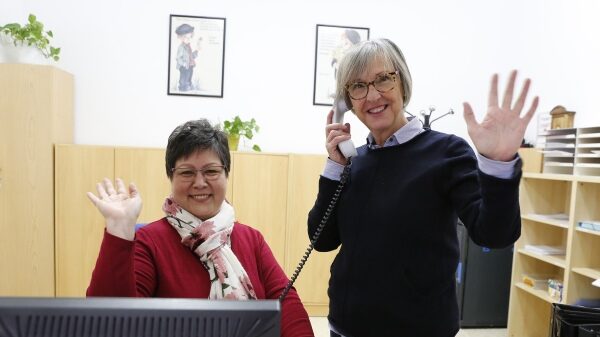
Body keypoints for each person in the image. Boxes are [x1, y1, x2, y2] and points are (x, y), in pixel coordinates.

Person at [308, 38, 538, 337]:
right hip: (346, 327)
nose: (373, 95)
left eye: (383, 79)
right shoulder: (354, 161)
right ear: (347, 102)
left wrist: (498, 164)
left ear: (402, 82)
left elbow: (495, 235)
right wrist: (334, 166)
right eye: (358, 86)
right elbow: (321, 239)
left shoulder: (447, 152)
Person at [86, 119, 314, 337]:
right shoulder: (149, 241)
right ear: (171, 177)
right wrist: (119, 230)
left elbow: (285, 302)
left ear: (226, 175)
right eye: (186, 172)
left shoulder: (250, 238)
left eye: (211, 171)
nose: (200, 182)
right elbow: (110, 321)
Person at [175, 23, 198, 92]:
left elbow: (191, 56)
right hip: (184, 66)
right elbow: (178, 58)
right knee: (183, 78)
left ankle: (189, 86)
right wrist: (183, 63)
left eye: (190, 37)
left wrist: (196, 51)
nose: (189, 39)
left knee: (189, 76)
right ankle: (182, 88)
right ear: (181, 37)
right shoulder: (181, 47)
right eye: (187, 38)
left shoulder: (188, 46)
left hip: (190, 65)